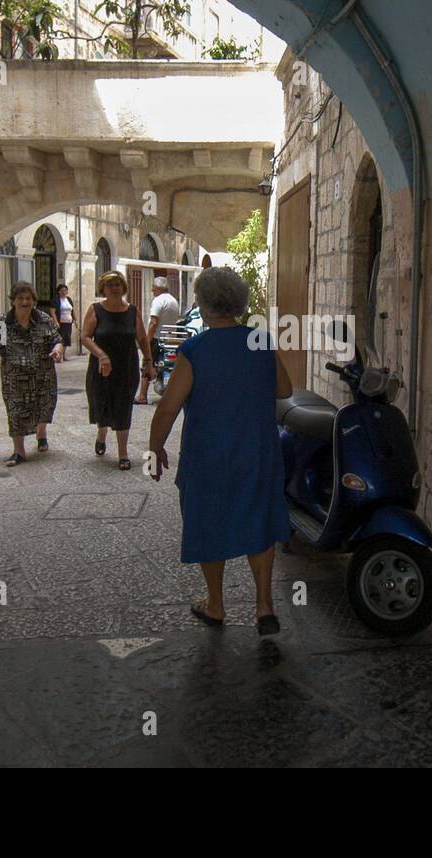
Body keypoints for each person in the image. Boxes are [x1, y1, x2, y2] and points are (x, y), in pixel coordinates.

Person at [148, 267, 292, 635]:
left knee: (208, 520)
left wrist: (155, 447)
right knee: (259, 520)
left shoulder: (195, 350)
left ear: (204, 305)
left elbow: (169, 406)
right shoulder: (260, 341)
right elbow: (284, 389)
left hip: (209, 455)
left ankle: (215, 605)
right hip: (258, 450)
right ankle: (264, 607)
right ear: (238, 302)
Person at [0, 281, 64, 466]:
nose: (25, 302)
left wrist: (57, 351)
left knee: (43, 405)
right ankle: (19, 451)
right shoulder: (2, 323)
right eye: (20, 298)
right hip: (14, 379)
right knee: (15, 411)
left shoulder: (44, 319)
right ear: (13, 301)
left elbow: (57, 340)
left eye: (28, 298)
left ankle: (41, 434)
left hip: (43, 376)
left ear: (34, 301)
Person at [82, 270, 156, 470]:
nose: (114, 288)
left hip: (126, 367)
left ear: (123, 288)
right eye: (110, 285)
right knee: (102, 404)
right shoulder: (95, 309)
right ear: (103, 289)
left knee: (123, 407)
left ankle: (123, 453)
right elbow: (85, 337)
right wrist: (101, 355)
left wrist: (148, 361)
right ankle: (101, 434)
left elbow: (142, 338)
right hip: (100, 367)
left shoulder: (132, 311)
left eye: (117, 285)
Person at [134, 276, 183, 404]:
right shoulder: (173, 300)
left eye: (153, 288)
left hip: (157, 338)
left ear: (158, 288)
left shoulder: (158, 300)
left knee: (147, 363)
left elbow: (153, 322)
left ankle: (142, 396)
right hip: (170, 338)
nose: (152, 290)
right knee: (168, 365)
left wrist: (147, 340)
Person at [50, 283, 75, 361]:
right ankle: (59, 356)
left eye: (65, 290)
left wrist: (75, 319)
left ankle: (63, 355)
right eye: (62, 291)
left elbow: (72, 310)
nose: (64, 292)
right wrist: (56, 321)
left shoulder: (69, 299)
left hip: (68, 322)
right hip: (61, 323)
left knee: (66, 340)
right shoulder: (56, 300)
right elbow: (52, 312)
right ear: (58, 292)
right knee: (60, 339)